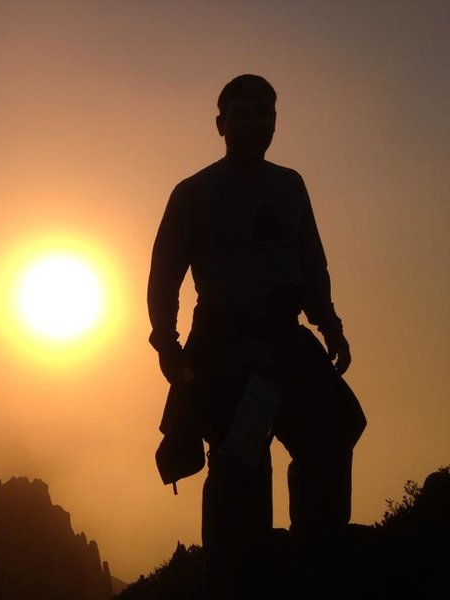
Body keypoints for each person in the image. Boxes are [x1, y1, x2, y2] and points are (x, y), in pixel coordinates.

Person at [147, 74, 366, 598]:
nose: (253, 123)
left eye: (263, 113)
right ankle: (237, 577)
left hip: (286, 343)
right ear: (221, 125)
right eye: (241, 114)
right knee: (242, 463)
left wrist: (328, 323)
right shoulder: (194, 193)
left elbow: (310, 259)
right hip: (229, 351)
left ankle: (317, 558)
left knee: (332, 434)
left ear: (275, 122)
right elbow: (164, 274)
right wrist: (168, 345)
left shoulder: (290, 186)